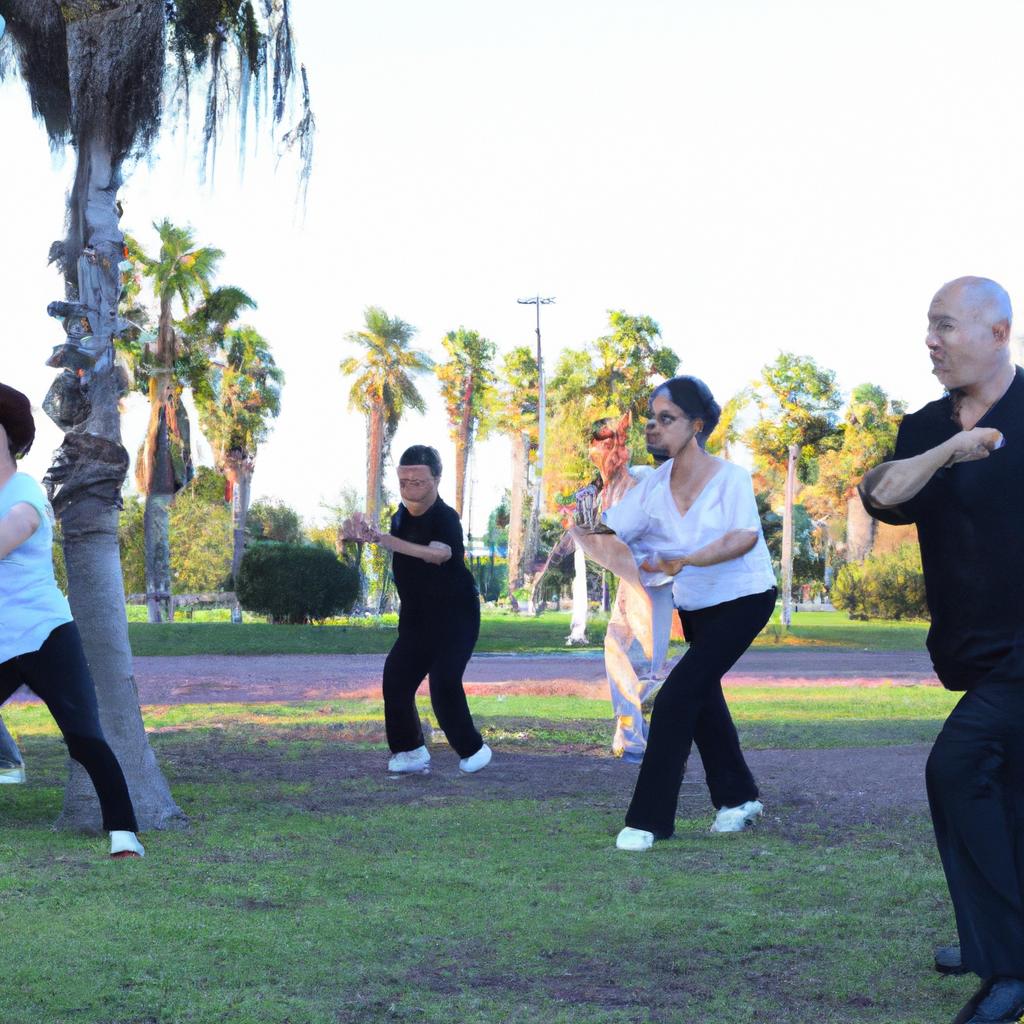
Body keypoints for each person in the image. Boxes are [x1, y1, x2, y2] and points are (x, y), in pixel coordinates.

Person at [859, 277, 1024, 1024]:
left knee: (956, 768)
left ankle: (1008, 970)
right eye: (929, 326)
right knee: (1009, 794)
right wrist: (953, 448)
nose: (931, 339)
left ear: (998, 332)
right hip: (974, 651)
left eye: (946, 326)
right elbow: (884, 496)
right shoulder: (925, 425)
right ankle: (992, 934)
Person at [574, 376, 777, 850]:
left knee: (674, 700)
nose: (652, 428)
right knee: (702, 699)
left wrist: (684, 560)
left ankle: (648, 821)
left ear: (697, 425)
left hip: (745, 599)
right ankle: (739, 799)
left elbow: (743, 537)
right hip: (699, 608)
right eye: (650, 420)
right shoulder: (650, 487)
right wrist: (586, 515)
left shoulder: (730, 478)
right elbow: (611, 531)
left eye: (666, 419)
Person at [0, 383, 144, 858]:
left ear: (8, 437)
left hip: (44, 636)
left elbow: (17, 528)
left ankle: (124, 833)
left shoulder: (24, 492)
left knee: (84, 737)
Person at [342, 445, 491, 775]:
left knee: (444, 683)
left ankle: (473, 749)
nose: (410, 488)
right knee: (395, 680)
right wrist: (359, 534)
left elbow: (437, 554)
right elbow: (393, 544)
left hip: (456, 617)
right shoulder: (399, 517)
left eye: (418, 481)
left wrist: (383, 540)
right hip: (416, 619)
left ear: (436, 479)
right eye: (403, 480)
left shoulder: (446, 518)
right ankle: (409, 751)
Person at [574, 413, 675, 762]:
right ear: (593, 450)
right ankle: (630, 732)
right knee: (615, 647)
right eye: (606, 443)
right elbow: (596, 543)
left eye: (619, 441)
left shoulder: (644, 479)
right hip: (630, 582)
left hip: (656, 582)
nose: (615, 449)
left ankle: (688, 687)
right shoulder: (594, 493)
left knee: (657, 664)